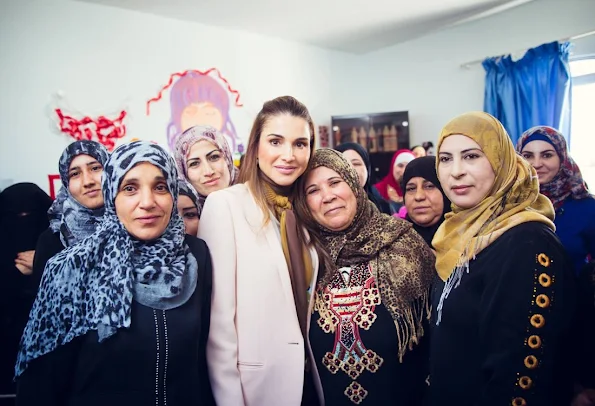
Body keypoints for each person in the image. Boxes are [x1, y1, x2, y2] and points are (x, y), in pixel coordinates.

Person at [15, 141, 214, 406]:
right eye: (130, 188)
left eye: (160, 187)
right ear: (111, 196)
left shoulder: (195, 254)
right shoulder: (72, 267)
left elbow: (202, 359)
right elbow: (41, 385)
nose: (147, 202)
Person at [428, 111, 577, 406]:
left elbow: (519, 373)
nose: (455, 171)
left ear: (501, 162)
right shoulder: (457, 235)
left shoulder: (527, 241)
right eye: (445, 159)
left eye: (471, 156)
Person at [199, 96, 320, 406]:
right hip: (256, 387)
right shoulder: (225, 205)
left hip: (309, 382)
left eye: (300, 143)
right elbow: (218, 325)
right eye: (275, 141)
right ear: (255, 146)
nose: (288, 155)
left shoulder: (307, 212)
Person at [294, 149, 435, 405]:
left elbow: (436, 344)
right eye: (312, 191)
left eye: (335, 182)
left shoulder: (404, 244)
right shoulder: (303, 259)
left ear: (353, 183)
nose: (328, 196)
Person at [517, 126, 595, 275]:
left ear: (562, 159)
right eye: (528, 156)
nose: (537, 164)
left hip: (572, 296)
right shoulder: (507, 205)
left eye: (547, 155)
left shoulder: (588, 208)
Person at [0, 183, 52, 401]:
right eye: (15, 216)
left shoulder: (57, 244)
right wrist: (11, 274)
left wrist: (43, 262)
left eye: (30, 216)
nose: (23, 222)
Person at [33, 141, 110, 286]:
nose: (87, 181)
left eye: (95, 168)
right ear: (66, 183)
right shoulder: (53, 239)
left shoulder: (137, 225)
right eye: (75, 174)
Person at [173, 124, 237, 217]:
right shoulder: (182, 220)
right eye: (194, 163)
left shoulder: (257, 199)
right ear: (184, 173)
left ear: (227, 159)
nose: (208, 172)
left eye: (214, 157)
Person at [401, 156, 451, 247]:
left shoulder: (468, 241)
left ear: (446, 192)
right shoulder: (392, 241)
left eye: (429, 186)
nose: (419, 196)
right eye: (411, 189)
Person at [335, 142, 391, 214]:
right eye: (344, 164)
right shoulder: (331, 207)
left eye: (356, 164)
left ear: (367, 169)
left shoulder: (382, 206)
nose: (351, 169)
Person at [373, 149, 415, 213]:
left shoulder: (419, 191)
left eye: (408, 166)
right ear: (393, 167)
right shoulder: (377, 191)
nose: (404, 171)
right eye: (400, 166)